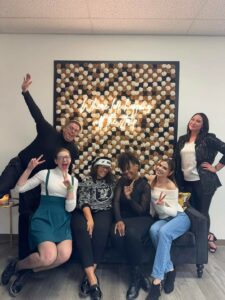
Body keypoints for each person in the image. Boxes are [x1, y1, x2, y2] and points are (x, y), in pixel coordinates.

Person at [0, 74, 81, 259]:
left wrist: (69, 187)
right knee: (2, 188)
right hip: (20, 165)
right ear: (65, 127)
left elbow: (69, 170)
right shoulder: (48, 130)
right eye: (71, 127)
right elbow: (35, 113)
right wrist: (25, 92)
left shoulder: (72, 150)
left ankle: (24, 257)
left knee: (26, 214)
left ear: (77, 135)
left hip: (36, 178)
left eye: (76, 131)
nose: (72, 131)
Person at [1, 148, 78, 297]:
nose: (64, 160)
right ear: (56, 161)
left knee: (64, 256)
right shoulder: (45, 174)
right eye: (61, 157)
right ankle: (16, 266)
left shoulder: (74, 180)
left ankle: (29, 271)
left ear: (70, 160)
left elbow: (70, 208)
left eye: (67, 157)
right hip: (44, 217)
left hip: (62, 220)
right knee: (48, 257)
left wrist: (69, 189)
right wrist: (29, 168)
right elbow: (19, 189)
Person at [174, 112, 225, 253]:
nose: (194, 122)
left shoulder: (208, 139)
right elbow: (177, 161)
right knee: (187, 211)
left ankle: (202, 245)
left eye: (198, 121)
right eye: (193, 119)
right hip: (185, 182)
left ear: (203, 125)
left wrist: (216, 168)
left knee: (202, 213)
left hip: (204, 183)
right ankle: (207, 236)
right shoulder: (182, 139)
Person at [145, 159, 191, 300]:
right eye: (158, 165)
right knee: (153, 230)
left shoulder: (171, 187)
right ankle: (170, 269)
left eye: (164, 168)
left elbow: (171, 212)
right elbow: (138, 177)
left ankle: (156, 281)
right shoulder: (151, 179)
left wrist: (162, 205)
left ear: (170, 172)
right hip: (163, 219)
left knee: (164, 232)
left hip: (179, 218)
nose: (159, 168)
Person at [111, 152, 154, 300]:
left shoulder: (144, 185)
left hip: (142, 219)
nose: (126, 173)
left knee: (132, 233)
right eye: (124, 170)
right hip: (125, 219)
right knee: (116, 234)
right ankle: (139, 273)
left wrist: (129, 198)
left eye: (129, 169)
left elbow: (141, 210)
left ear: (137, 166)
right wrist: (119, 220)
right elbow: (115, 202)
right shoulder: (121, 181)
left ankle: (134, 281)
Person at [71, 156, 114, 300]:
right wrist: (89, 219)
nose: (104, 170)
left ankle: (87, 277)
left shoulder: (112, 183)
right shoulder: (86, 181)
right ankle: (93, 281)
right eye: (102, 166)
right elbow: (83, 200)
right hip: (84, 211)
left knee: (101, 232)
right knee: (83, 230)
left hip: (104, 211)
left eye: (107, 168)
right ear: (95, 167)